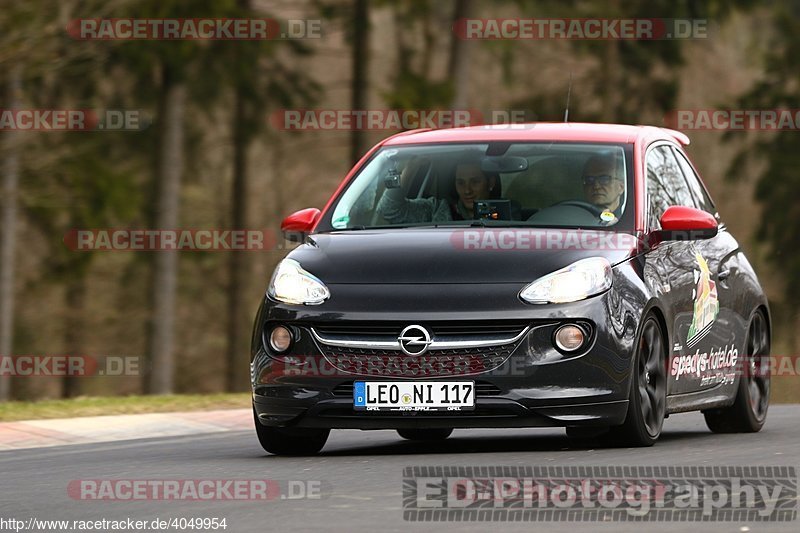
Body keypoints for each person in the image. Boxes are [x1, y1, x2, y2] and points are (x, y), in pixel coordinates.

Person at [377, 156, 503, 223]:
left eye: (475, 182)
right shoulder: (436, 209)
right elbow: (388, 210)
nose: (467, 190)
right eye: (460, 183)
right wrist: (411, 167)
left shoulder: (510, 214)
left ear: (491, 183)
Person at [581, 153, 626, 219]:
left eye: (604, 179)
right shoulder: (573, 217)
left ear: (621, 187)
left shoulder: (631, 219)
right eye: (589, 180)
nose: (596, 186)